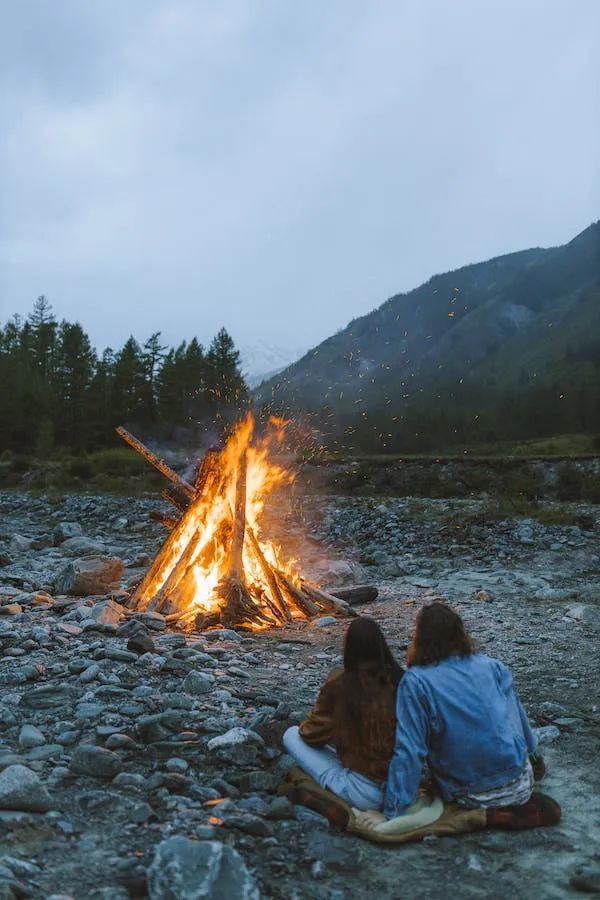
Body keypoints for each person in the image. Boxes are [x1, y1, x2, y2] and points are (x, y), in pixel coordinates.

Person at [359, 602, 543, 826]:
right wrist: (535, 759)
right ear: (460, 633)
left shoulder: (417, 681)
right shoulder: (492, 666)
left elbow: (410, 749)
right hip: (521, 782)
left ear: (421, 638)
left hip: (473, 795)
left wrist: (391, 813)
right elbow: (517, 717)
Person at [282, 616, 404, 811]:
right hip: (403, 787)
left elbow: (312, 735)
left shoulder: (341, 685)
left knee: (291, 734)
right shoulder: (401, 679)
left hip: (364, 793)